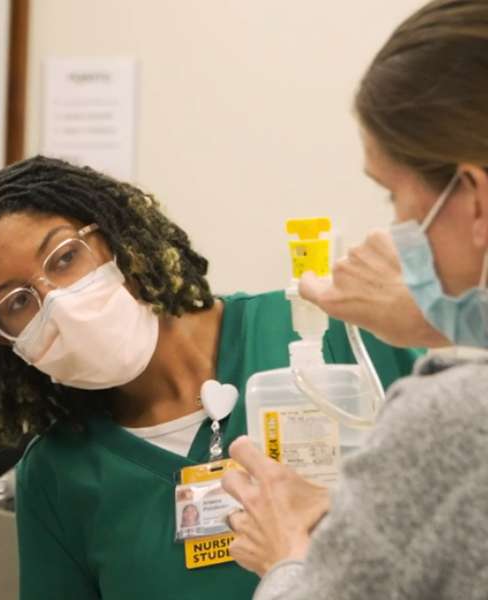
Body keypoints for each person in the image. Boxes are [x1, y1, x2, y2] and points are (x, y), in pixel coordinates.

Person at [0, 155, 419, 599]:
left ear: (114, 234)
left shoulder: (331, 331)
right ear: (1, 340)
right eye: (18, 302)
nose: (58, 302)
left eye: (64, 258)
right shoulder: (57, 477)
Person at [222, 1, 488, 598]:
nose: (394, 228)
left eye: (391, 197)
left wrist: (288, 553)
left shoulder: (450, 416)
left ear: (472, 193)